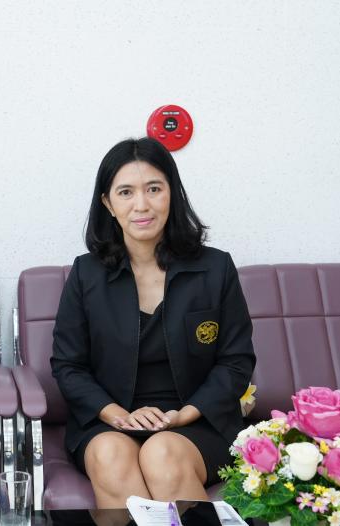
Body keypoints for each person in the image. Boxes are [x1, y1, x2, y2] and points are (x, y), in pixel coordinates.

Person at [50, 137, 255, 507]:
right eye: (125, 192)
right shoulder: (86, 274)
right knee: (112, 457)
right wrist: (119, 416)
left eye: (154, 189)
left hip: (197, 420)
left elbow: (235, 361)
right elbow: (69, 366)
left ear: (172, 193)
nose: (141, 205)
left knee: (161, 454)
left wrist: (184, 415)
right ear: (108, 204)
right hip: (109, 420)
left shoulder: (216, 268)